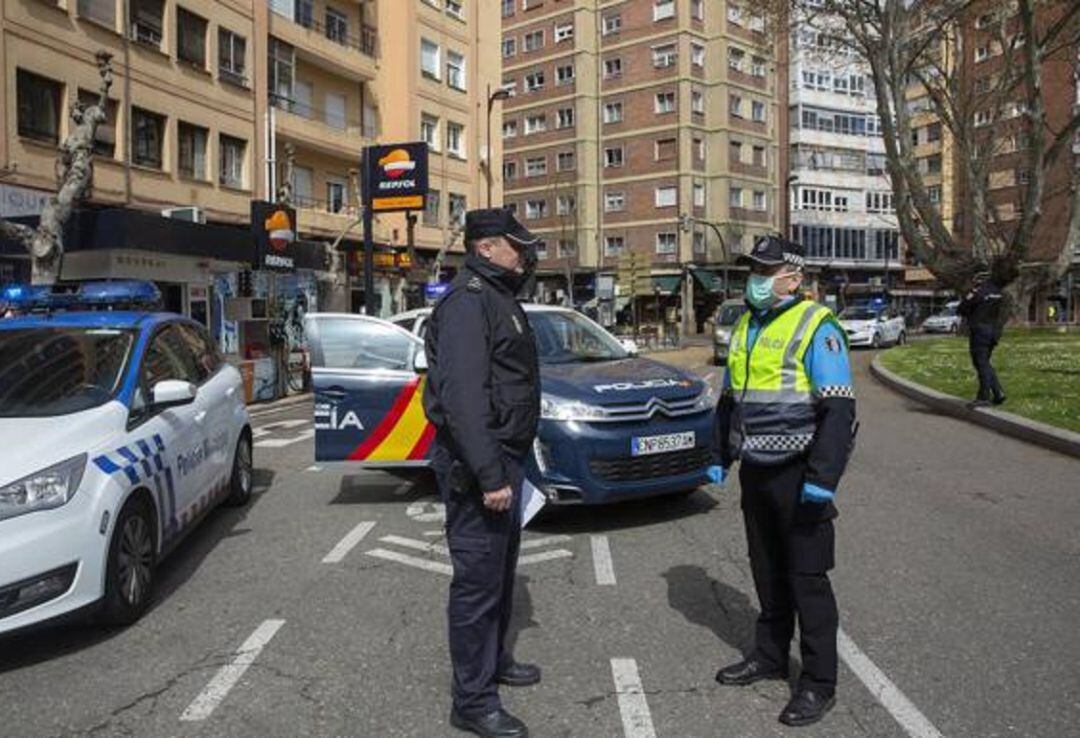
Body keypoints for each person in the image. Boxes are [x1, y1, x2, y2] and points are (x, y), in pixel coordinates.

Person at [708, 236, 857, 728]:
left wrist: (822, 480)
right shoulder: (748, 325)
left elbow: (838, 410)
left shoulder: (818, 325)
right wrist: (718, 454)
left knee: (807, 581)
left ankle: (818, 683)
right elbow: (732, 399)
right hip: (757, 471)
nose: (756, 279)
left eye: (766, 271)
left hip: (799, 474)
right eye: (754, 270)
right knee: (767, 572)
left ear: (793, 278)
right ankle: (769, 656)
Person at [422, 207, 542, 738]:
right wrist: (491, 474)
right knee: (477, 583)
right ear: (486, 247)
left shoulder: (497, 297)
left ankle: (492, 662)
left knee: (498, 574)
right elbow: (464, 398)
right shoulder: (470, 305)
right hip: (481, 466)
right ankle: (472, 701)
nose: (526, 254)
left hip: (504, 457)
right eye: (517, 246)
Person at [957, 270, 1006, 407]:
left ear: (978, 279)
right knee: (985, 362)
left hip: (979, 331)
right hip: (994, 331)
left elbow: (961, 309)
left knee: (980, 362)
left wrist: (971, 294)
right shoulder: (998, 292)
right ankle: (998, 392)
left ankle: (984, 396)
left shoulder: (977, 292)